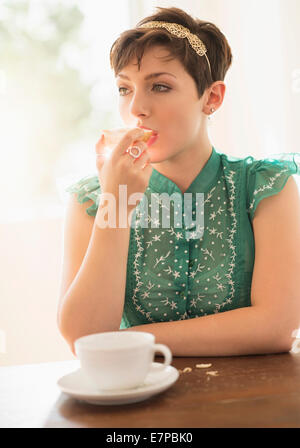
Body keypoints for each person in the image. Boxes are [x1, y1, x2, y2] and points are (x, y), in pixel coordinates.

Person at [57, 6, 300, 357]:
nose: (136, 108)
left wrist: (127, 341)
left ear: (212, 97)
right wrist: (117, 203)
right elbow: (83, 339)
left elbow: (279, 326)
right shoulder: (93, 200)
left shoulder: (265, 187)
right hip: (132, 404)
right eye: (124, 89)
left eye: (159, 86)